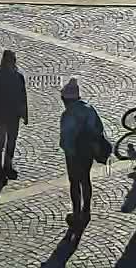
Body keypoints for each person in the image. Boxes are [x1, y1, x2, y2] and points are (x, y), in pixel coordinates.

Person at [58, 78, 106, 228]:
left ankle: (76, 213)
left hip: (73, 155)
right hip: (88, 152)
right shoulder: (89, 109)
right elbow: (99, 128)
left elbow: (66, 138)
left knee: (74, 182)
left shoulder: (67, 115)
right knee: (85, 179)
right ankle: (86, 210)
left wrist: (68, 150)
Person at [0, 50, 28, 180]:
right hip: (1, 116)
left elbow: (22, 96)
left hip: (13, 116)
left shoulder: (18, 77)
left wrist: (24, 114)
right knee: (0, 142)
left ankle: (7, 166)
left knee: (11, 141)